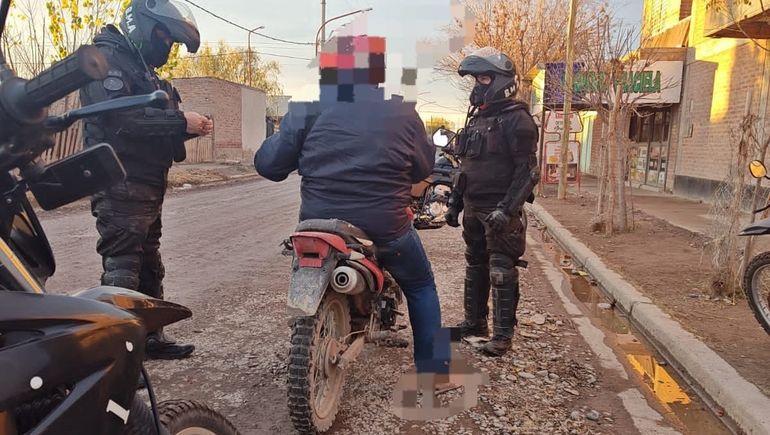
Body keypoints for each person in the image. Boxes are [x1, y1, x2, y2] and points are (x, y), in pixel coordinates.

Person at [255, 34, 444, 375]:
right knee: (421, 284)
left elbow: (268, 165)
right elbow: (424, 168)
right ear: (377, 71)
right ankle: (433, 371)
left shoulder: (306, 110)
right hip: (386, 228)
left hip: (319, 224)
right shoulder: (402, 111)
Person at [80, 0, 212, 360]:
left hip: (147, 186)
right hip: (120, 181)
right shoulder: (105, 59)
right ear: (144, 27)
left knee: (148, 263)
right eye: (166, 39)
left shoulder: (141, 67)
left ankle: (150, 339)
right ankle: (118, 359)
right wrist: (180, 122)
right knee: (122, 267)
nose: (168, 49)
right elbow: (122, 120)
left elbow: (152, 127)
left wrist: (186, 128)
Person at [444, 47, 539, 357]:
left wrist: (507, 209)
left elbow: (528, 173)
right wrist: (455, 203)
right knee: (475, 266)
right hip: (473, 208)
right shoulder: (476, 119)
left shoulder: (517, 120)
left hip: (500, 210)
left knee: (501, 270)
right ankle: (474, 324)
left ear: (501, 81)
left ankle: (502, 336)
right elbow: (464, 166)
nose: (478, 86)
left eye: (484, 78)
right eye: (476, 80)